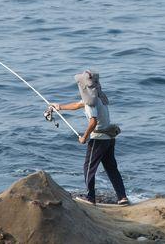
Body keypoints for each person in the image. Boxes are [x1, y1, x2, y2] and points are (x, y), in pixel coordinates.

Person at [51, 70, 129, 205]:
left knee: (88, 168)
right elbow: (77, 105)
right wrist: (59, 107)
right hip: (109, 139)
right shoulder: (99, 96)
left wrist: (85, 137)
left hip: (98, 139)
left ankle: (90, 198)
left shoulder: (90, 103)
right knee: (111, 168)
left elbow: (92, 121)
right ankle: (122, 197)